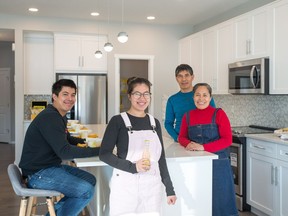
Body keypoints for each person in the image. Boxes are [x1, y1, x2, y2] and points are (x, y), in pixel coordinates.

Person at [19, 79, 100, 216]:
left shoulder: (59, 116)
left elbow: (67, 139)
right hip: (38, 173)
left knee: (90, 180)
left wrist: (86, 141)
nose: (70, 98)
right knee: (86, 191)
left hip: (49, 167)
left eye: (73, 95)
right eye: (65, 94)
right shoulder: (50, 117)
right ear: (54, 96)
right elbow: (64, 152)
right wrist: (98, 150)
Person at [99, 77, 177, 216]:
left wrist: (169, 189)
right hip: (126, 187)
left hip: (152, 188)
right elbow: (104, 154)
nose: (142, 98)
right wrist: (133, 167)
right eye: (137, 93)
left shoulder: (155, 123)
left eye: (146, 93)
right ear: (129, 96)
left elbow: (161, 159)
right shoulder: (118, 121)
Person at [178, 83, 238, 216]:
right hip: (196, 164)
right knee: (199, 200)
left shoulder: (219, 113)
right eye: (198, 95)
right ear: (193, 97)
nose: (201, 98)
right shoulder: (187, 116)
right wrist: (188, 143)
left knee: (221, 202)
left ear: (210, 97)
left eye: (205, 95)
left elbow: (227, 140)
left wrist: (203, 147)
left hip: (219, 164)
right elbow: (181, 137)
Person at [164, 64, 216, 142]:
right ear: (176, 79)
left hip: (203, 139)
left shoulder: (204, 97)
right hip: (181, 141)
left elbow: (214, 117)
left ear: (192, 77)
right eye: (180, 76)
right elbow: (168, 123)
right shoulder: (172, 100)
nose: (184, 79)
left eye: (187, 75)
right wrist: (177, 138)